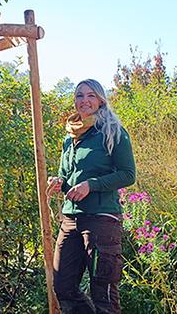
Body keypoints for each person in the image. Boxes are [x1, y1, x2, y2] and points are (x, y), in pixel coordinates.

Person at [47, 79, 136, 314]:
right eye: (79, 96)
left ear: (100, 100)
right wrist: (58, 182)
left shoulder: (113, 131)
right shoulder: (70, 137)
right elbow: (66, 175)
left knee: (103, 294)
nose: (84, 100)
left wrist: (92, 185)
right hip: (71, 219)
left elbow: (128, 175)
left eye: (90, 96)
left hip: (101, 219)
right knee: (63, 286)